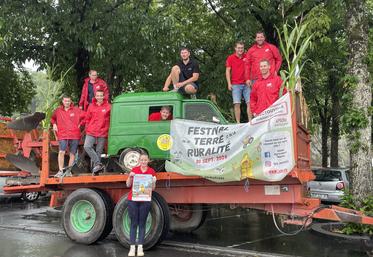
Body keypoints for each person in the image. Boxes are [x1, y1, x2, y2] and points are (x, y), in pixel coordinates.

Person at [126, 153, 156, 257]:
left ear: (148, 160)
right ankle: (132, 248)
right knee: (134, 224)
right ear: (139, 161)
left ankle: (140, 248)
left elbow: (152, 189)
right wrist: (130, 176)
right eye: (142, 160)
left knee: (142, 224)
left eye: (145, 160)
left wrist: (153, 182)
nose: (143, 162)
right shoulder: (134, 170)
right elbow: (128, 185)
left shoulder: (151, 171)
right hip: (133, 200)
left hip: (145, 200)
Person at [51, 95, 85, 177]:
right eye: (65, 101)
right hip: (62, 135)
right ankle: (60, 171)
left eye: (68, 101)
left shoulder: (76, 110)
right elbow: (52, 118)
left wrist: (81, 124)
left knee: (72, 153)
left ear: (71, 101)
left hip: (74, 135)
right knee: (61, 152)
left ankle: (69, 171)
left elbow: (86, 116)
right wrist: (54, 124)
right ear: (62, 101)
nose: (67, 103)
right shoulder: (58, 111)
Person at [83, 89, 111, 175]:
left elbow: (110, 119)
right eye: (97, 95)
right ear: (95, 96)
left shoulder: (108, 106)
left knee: (99, 151)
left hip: (102, 131)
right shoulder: (91, 106)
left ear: (103, 96)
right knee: (87, 146)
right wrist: (87, 128)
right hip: (91, 131)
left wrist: (107, 129)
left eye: (101, 95)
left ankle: (96, 171)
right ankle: (99, 164)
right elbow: (87, 118)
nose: (99, 97)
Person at [226, 41, 252, 123]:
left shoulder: (247, 56)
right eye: (239, 48)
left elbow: (251, 68)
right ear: (235, 48)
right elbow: (227, 71)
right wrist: (229, 83)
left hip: (247, 83)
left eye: (242, 48)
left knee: (250, 103)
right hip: (235, 84)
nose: (240, 49)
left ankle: (250, 122)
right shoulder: (230, 58)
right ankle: (238, 123)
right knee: (237, 103)